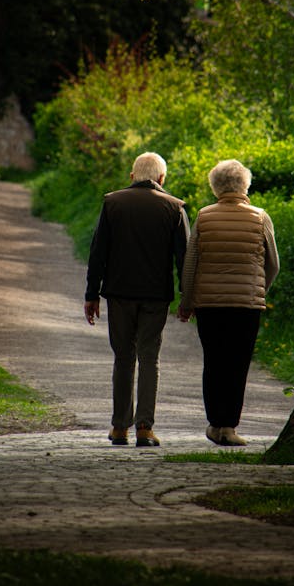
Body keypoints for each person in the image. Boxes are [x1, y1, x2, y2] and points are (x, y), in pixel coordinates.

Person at [84, 152, 190, 447]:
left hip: (118, 294)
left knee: (123, 358)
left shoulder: (112, 203)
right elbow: (185, 260)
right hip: (156, 297)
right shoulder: (175, 207)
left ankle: (119, 427)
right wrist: (187, 298)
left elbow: (98, 252)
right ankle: (144, 427)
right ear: (161, 179)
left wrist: (91, 294)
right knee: (149, 358)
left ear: (132, 176)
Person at [178, 159, 279, 447]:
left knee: (214, 361)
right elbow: (274, 264)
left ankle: (215, 424)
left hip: (209, 306)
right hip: (247, 305)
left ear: (215, 186)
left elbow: (190, 264)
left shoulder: (204, 216)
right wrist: (259, 290)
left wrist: (187, 301)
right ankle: (229, 428)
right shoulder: (261, 217)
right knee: (238, 363)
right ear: (245, 185)